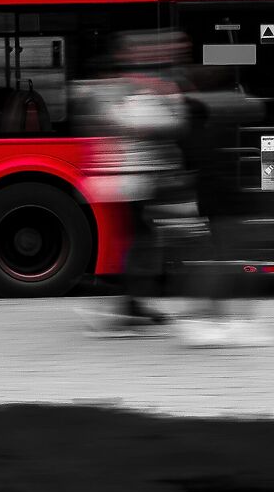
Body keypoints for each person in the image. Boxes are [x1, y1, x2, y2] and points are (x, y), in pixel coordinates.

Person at [77, 30, 190, 336]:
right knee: (140, 241)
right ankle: (128, 307)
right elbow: (121, 122)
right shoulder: (122, 88)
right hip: (127, 179)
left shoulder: (142, 86)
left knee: (142, 240)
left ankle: (133, 304)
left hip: (137, 177)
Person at [171, 70, 274, 347]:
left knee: (222, 262)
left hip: (216, 204)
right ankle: (224, 321)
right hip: (225, 204)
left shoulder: (192, 132)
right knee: (239, 264)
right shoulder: (208, 129)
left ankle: (213, 319)